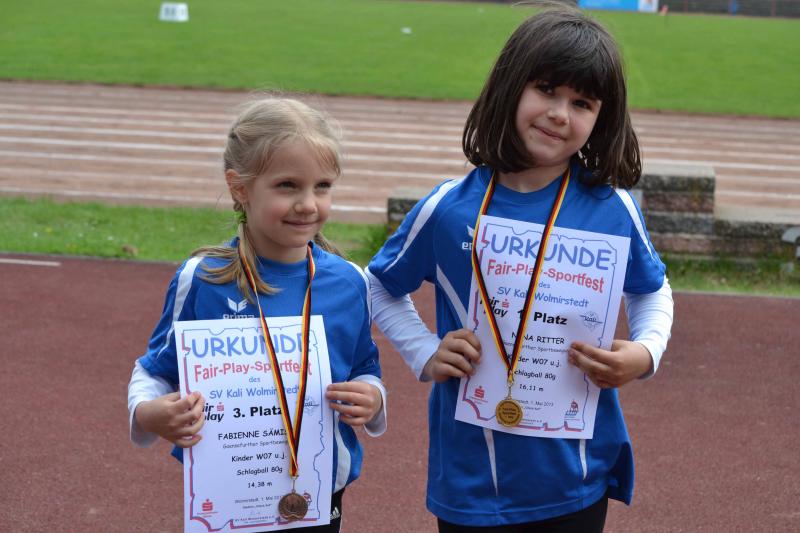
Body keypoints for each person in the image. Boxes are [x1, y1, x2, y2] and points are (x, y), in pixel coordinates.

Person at [366, 7, 673, 532]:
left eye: (582, 103)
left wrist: (645, 352)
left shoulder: (613, 209)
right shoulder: (449, 209)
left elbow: (652, 289)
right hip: (472, 482)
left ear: (602, 118)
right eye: (546, 90)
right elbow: (378, 285)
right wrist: (424, 351)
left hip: (576, 479)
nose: (560, 114)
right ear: (511, 87)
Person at [127, 97, 386, 532]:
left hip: (317, 492)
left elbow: (364, 366)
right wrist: (147, 413)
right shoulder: (203, 279)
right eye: (288, 185)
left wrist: (372, 398)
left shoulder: (350, 282)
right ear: (240, 188)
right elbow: (155, 370)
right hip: (227, 490)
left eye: (322, 186)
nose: (308, 203)